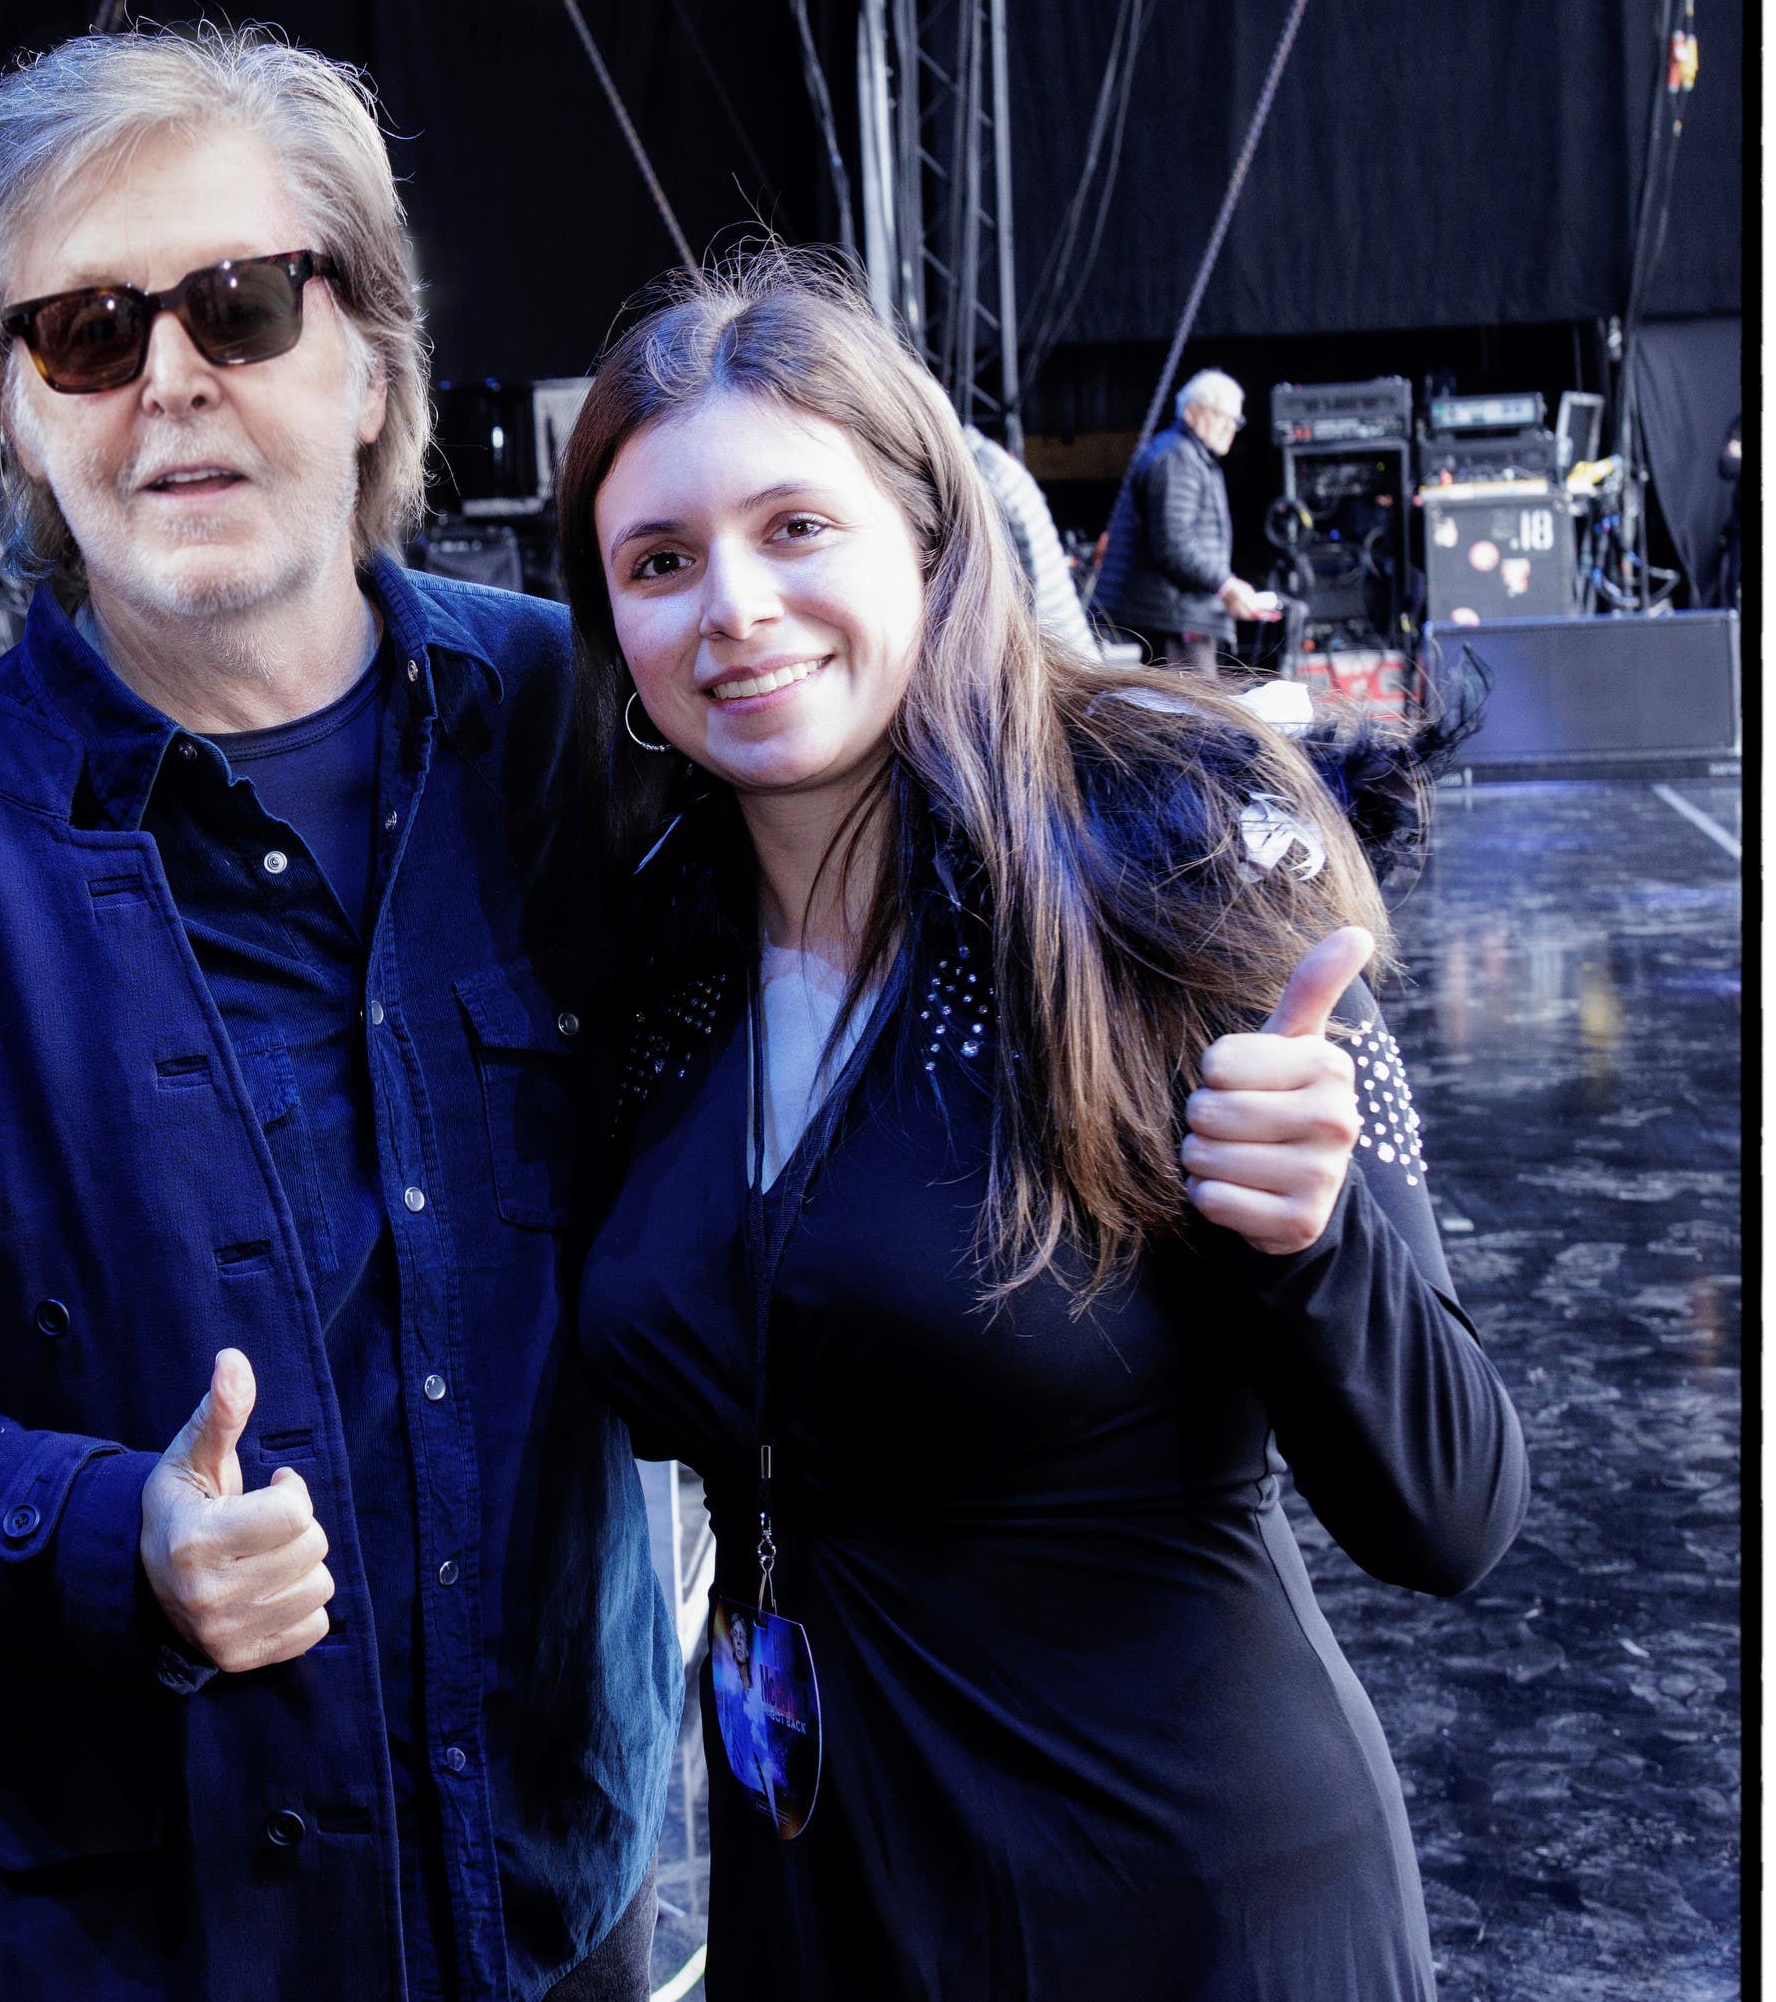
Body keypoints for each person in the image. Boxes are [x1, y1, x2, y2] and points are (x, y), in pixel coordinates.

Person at [0, 25, 678, 2002]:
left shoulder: (589, 737)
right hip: (123, 1942)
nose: (171, 382)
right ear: (12, 411)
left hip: (545, 1896)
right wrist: (105, 1535)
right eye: (81, 333)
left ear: (374, 354)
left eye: (239, 304)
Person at [560, 250, 1527, 1999]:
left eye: (798, 527)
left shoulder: (1170, 842)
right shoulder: (652, 953)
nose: (735, 608)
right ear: (612, 624)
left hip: (1185, 1911)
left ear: (931, 545)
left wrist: (1318, 1242)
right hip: (827, 1905)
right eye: (661, 560)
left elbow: (1455, 1510)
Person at [1089, 367, 1277, 673]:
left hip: (1174, 615)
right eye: (1222, 416)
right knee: (1192, 717)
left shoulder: (1186, 455)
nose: (1230, 427)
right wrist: (1225, 585)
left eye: (1235, 420)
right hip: (1170, 618)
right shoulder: (1178, 458)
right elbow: (1173, 544)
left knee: (1193, 715)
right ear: (1192, 412)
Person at [960, 423, 1097, 656]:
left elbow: (1019, 592)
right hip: (1061, 655)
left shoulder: (978, 476)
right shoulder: (987, 459)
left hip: (1049, 665)